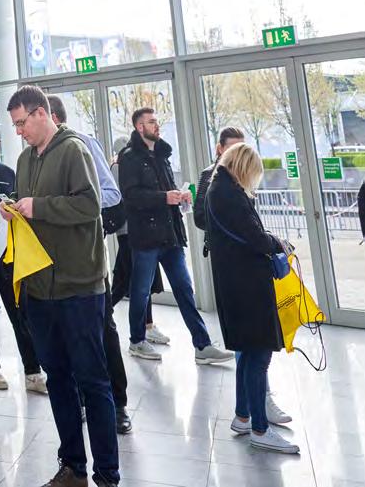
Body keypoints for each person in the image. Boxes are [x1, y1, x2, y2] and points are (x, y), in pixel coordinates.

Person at [4, 85, 117, 487]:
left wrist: (39, 207)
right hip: (40, 290)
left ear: (41, 113)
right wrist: (12, 209)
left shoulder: (74, 150)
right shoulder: (23, 160)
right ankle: (73, 467)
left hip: (79, 289)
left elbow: (90, 205)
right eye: (15, 125)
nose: (19, 131)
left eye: (22, 123)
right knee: (58, 380)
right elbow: (27, 203)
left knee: (93, 382)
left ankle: (107, 474)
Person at [205, 142, 300, 455]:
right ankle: (260, 428)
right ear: (243, 168)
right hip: (245, 287)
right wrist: (280, 243)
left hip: (236, 285)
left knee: (248, 353)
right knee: (258, 355)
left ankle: (243, 416)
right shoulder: (229, 195)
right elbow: (255, 238)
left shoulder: (220, 189)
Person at [117, 107, 230, 366]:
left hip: (171, 235)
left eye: (156, 121)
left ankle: (202, 345)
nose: (156, 125)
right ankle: (136, 341)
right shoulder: (129, 158)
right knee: (141, 291)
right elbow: (131, 197)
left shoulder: (162, 154)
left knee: (184, 289)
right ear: (139, 127)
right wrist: (163, 198)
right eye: (151, 122)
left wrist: (180, 196)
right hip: (145, 238)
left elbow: (164, 191)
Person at [46, 97, 132, 435]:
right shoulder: (37, 156)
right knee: (67, 334)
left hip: (90, 259)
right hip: (55, 265)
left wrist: (71, 207)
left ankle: (118, 403)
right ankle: (82, 400)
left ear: (51, 117)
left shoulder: (83, 144)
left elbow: (110, 194)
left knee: (102, 330)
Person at [0, 123, 47, 396]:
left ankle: (33, 372)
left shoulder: (8, 173)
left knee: (21, 313)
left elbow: (18, 202)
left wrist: (12, 211)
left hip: (8, 255)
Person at [193, 128, 246, 247]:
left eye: (241, 148)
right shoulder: (208, 174)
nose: (237, 153)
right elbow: (199, 217)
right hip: (222, 245)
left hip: (245, 241)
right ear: (220, 149)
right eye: (232, 149)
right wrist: (230, 227)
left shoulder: (245, 174)